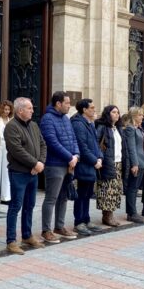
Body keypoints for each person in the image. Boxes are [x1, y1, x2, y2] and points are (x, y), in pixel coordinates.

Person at [4, 97, 46, 255]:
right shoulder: (11, 127)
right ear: (20, 110)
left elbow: (43, 144)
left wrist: (40, 162)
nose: (33, 110)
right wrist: (35, 164)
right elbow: (16, 150)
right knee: (15, 206)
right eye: (29, 108)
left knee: (30, 205)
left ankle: (27, 235)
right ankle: (11, 241)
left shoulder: (34, 125)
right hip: (19, 173)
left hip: (33, 173)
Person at [39, 92, 79, 243]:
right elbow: (51, 141)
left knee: (63, 197)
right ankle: (46, 230)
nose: (69, 105)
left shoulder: (66, 119)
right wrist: (70, 157)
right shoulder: (47, 119)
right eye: (67, 103)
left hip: (69, 164)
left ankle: (59, 226)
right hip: (54, 164)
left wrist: (76, 155)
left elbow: (73, 138)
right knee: (51, 198)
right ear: (58, 103)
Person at [70, 99, 103, 235]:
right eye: (92, 107)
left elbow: (96, 143)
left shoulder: (90, 123)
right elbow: (82, 147)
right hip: (85, 164)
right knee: (82, 194)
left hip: (93, 164)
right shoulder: (78, 124)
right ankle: (79, 222)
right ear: (84, 110)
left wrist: (100, 157)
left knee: (88, 193)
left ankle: (86, 219)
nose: (94, 110)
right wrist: (95, 161)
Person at [94, 105, 124, 227]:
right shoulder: (102, 127)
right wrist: (101, 157)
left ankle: (110, 214)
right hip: (108, 162)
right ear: (108, 114)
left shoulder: (117, 128)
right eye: (114, 112)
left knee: (115, 190)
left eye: (118, 112)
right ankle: (107, 216)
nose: (117, 114)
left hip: (118, 162)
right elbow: (96, 143)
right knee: (107, 190)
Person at [121, 108, 144, 223]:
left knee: (135, 188)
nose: (142, 117)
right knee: (132, 189)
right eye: (140, 115)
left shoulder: (138, 128)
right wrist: (134, 164)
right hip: (136, 163)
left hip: (141, 162)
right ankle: (131, 213)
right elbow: (131, 148)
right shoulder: (130, 129)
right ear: (134, 116)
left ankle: (133, 212)